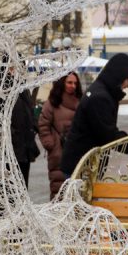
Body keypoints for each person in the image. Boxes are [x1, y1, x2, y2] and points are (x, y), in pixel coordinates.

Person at [60, 53, 128, 181]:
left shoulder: (102, 92)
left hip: (83, 163)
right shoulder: (100, 97)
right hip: (81, 166)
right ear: (119, 77)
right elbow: (109, 136)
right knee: (80, 201)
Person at [38, 72, 83, 200]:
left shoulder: (81, 101)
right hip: (58, 151)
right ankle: (57, 216)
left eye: (75, 83)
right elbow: (43, 124)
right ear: (62, 83)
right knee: (58, 187)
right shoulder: (52, 102)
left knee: (77, 188)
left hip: (76, 150)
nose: (72, 86)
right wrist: (50, 144)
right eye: (69, 82)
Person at [10, 87, 40, 188]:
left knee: (23, 187)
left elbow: (30, 112)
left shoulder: (23, 89)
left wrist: (34, 127)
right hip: (12, 150)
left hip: (25, 149)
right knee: (11, 189)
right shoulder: (1, 87)